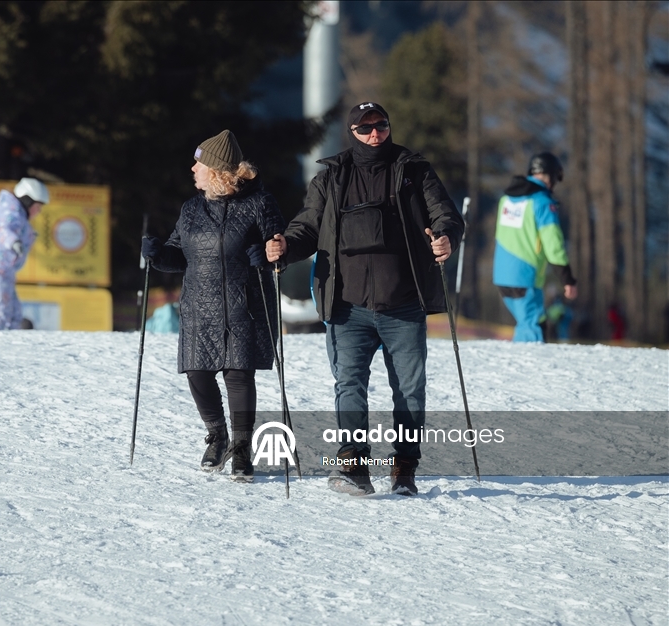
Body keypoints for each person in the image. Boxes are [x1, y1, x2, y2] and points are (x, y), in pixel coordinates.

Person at [265, 102, 462, 496]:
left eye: (382, 125)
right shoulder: (332, 178)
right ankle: (354, 465)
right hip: (346, 306)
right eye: (366, 127)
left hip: (404, 305)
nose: (375, 133)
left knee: (409, 389)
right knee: (349, 384)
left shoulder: (413, 170)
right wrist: (284, 247)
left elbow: (446, 214)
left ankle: (404, 469)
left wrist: (445, 238)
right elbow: (307, 227)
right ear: (352, 132)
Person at [143, 130, 284, 481]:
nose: (192, 168)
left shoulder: (259, 203)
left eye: (199, 163)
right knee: (198, 374)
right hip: (200, 306)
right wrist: (159, 254)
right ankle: (217, 435)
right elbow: (180, 256)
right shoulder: (191, 210)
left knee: (238, 374)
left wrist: (265, 258)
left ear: (217, 171)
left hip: (244, 304)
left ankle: (241, 448)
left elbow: (280, 249)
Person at [492, 152, 577, 342]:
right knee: (534, 328)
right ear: (551, 177)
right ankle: (526, 370)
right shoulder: (543, 203)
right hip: (525, 276)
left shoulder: (506, 199)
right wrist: (568, 279)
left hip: (501, 276)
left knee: (528, 323)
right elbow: (553, 245)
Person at [0, 178, 49, 330]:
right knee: (0, 312)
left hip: (4, 271)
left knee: (15, 314)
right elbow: (4, 229)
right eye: (38, 206)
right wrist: (14, 242)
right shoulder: (10, 212)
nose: (39, 211)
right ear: (28, 201)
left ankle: (9, 348)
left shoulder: (18, 215)